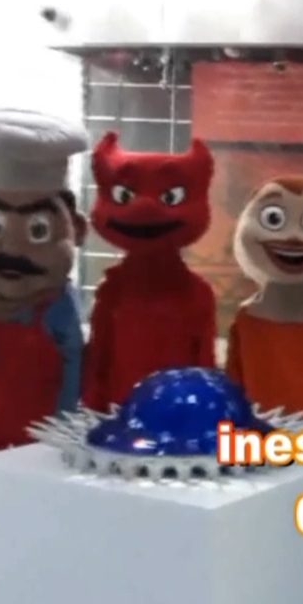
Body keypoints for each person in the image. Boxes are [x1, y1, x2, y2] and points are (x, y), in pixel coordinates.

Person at [0, 108, 88, 457]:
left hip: (42, 426)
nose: (11, 249)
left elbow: (74, 360)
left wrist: (65, 420)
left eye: (38, 230)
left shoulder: (58, 302)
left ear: (77, 230)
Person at [82, 132, 217, 409]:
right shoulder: (112, 291)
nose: (144, 206)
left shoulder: (197, 294)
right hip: (119, 412)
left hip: (177, 414)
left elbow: (204, 362)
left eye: (170, 197)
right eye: (125, 196)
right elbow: (99, 353)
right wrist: (92, 405)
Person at [225, 175, 303, 423]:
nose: (294, 236)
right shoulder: (245, 320)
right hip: (255, 438)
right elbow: (234, 383)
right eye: (274, 219)